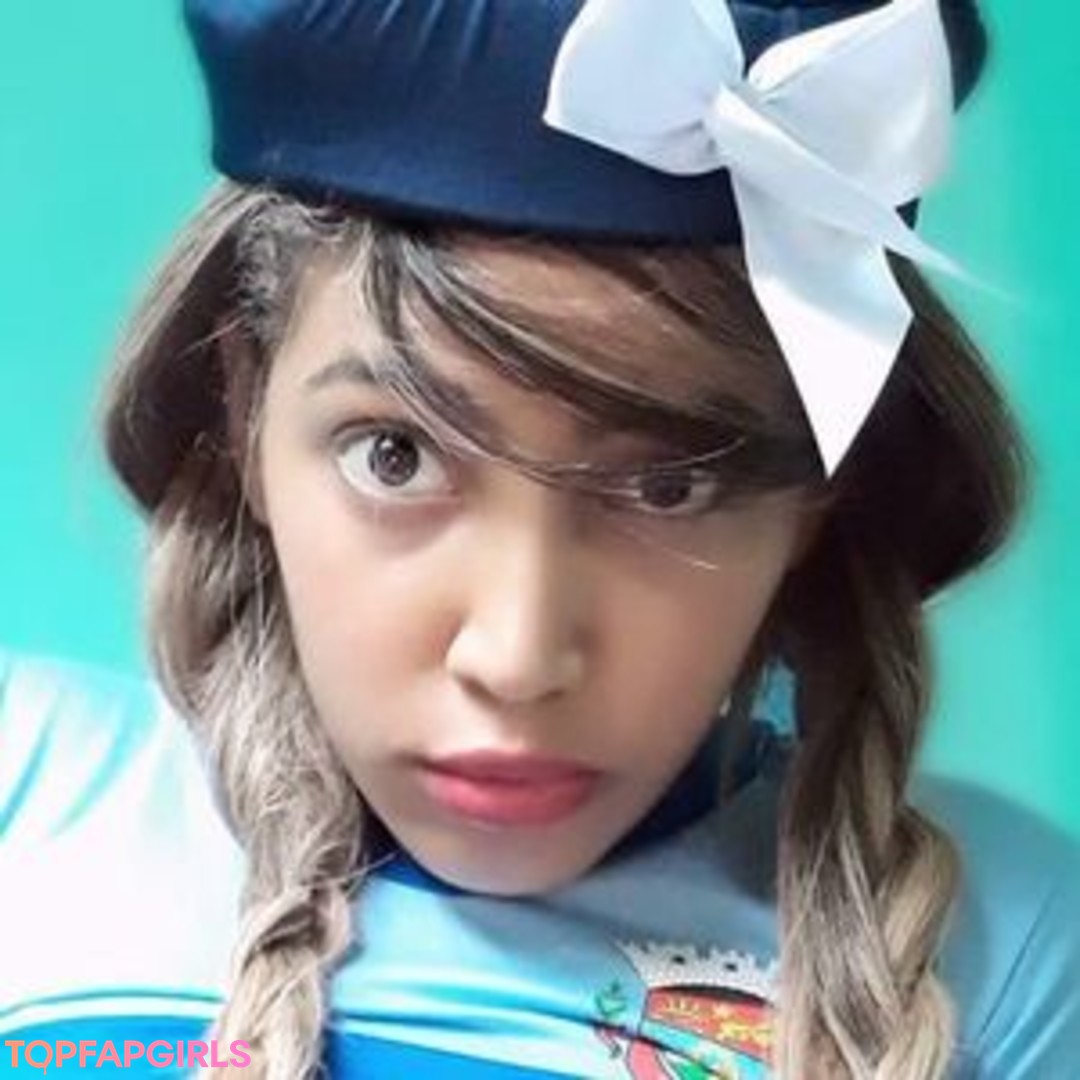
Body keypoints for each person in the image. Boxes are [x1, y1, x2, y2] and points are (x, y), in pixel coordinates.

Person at [1, 0, 1078, 1077]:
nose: (515, 660)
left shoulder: (1009, 953)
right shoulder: (23, 789)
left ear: (816, 493)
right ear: (245, 411)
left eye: (669, 485)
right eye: (395, 457)